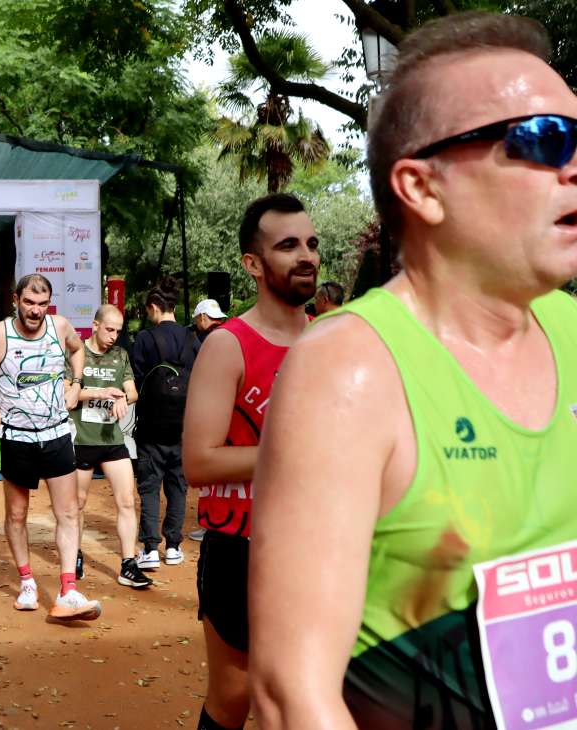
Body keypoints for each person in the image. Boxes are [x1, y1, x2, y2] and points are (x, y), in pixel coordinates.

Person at [248, 13, 577, 729]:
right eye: (545, 139)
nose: (573, 165)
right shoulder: (349, 371)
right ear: (422, 188)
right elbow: (291, 699)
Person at [181, 192, 318, 730]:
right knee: (234, 699)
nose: (305, 255)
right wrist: (294, 454)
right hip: (243, 549)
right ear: (253, 264)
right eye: (288, 246)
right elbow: (199, 462)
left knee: (306, 697)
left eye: (311, 243)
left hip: (322, 550)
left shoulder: (335, 341)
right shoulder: (228, 345)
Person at [0, 274, 101, 623]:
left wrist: (76, 384)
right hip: (15, 436)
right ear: (16, 299)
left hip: (55, 433)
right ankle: (27, 583)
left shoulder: (60, 326)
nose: (35, 311)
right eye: (29, 303)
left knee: (67, 512)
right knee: (17, 514)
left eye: (42, 304)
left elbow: (79, 348)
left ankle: (68, 589)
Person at [72, 304, 151, 589]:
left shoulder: (120, 355)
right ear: (94, 325)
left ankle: (128, 565)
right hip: (81, 439)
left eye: (118, 331)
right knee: (77, 505)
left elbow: (132, 390)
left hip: (111, 440)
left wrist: (123, 399)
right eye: (109, 329)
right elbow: (69, 394)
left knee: (127, 500)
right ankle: (75, 555)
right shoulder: (78, 353)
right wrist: (100, 392)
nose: (114, 336)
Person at [130, 276, 201, 569]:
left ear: (154, 307)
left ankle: (149, 548)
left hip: (150, 428)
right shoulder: (192, 339)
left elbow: (135, 380)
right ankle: (173, 546)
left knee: (149, 487)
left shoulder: (146, 339)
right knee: (177, 488)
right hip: (184, 428)